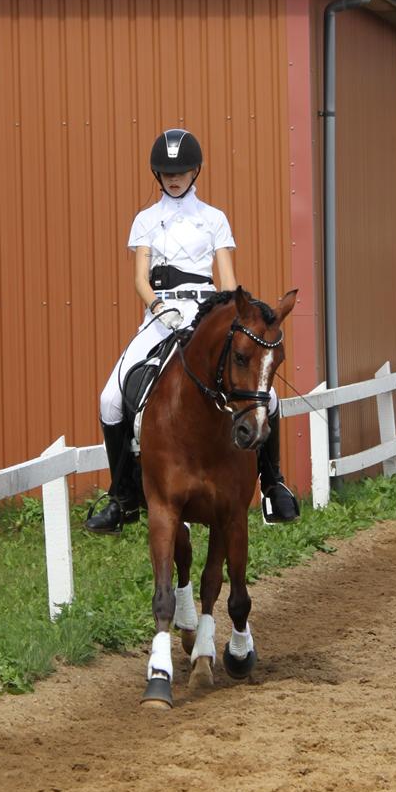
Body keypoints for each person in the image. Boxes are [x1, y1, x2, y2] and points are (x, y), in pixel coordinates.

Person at [85, 126, 300, 535]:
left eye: (181, 170)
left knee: (266, 395)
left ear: (195, 171)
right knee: (110, 398)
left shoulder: (214, 219)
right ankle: (122, 496)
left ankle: (273, 484)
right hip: (160, 313)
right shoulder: (146, 220)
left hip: (206, 312)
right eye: (166, 171)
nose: (174, 177)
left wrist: (226, 317)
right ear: (157, 174)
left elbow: (228, 282)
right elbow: (140, 279)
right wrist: (157, 307)